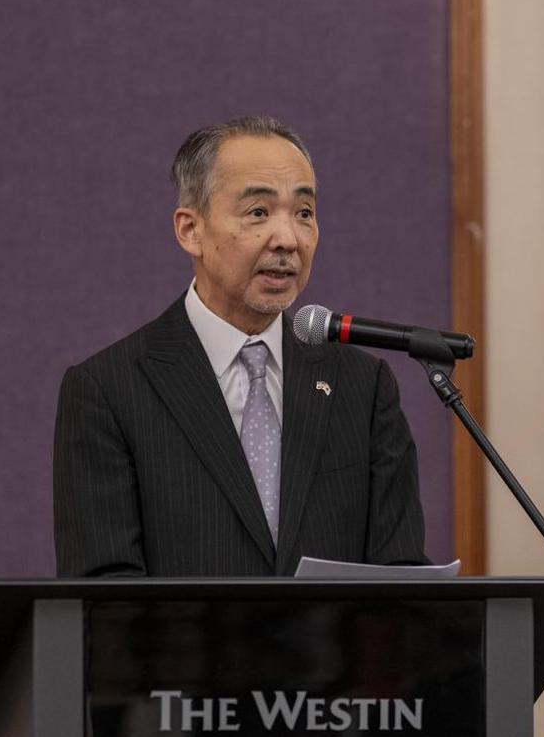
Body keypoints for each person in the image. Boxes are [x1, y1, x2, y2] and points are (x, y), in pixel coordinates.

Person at [53, 116, 426, 576]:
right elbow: (102, 592)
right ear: (191, 230)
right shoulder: (109, 391)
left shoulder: (363, 386)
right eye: (258, 213)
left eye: (304, 214)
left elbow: (403, 576)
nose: (288, 239)